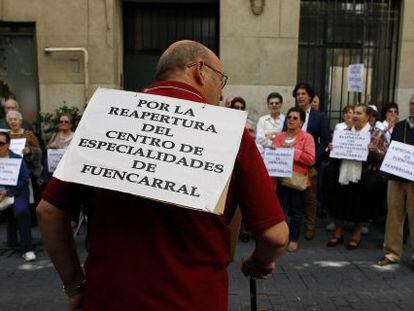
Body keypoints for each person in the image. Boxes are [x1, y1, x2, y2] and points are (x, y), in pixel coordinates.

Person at [37, 40, 289, 311]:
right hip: (194, 300)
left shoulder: (105, 120)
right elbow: (275, 235)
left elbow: (48, 212)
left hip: (108, 298)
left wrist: (75, 286)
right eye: (221, 79)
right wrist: (259, 262)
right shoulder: (229, 134)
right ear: (200, 70)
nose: (220, 91)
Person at [327, 104, 386, 250]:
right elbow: (334, 155)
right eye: (354, 113)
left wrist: (372, 151)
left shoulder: (376, 134)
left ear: (368, 117)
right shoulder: (344, 131)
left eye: (359, 113)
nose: (355, 116)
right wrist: (332, 149)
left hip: (363, 176)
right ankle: (338, 233)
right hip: (344, 173)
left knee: (361, 206)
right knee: (340, 203)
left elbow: (383, 155)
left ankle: (356, 235)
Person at [378, 95, 414, 268]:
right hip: (396, 178)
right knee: (394, 214)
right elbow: (392, 150)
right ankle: (392, 253)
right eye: (412, 103)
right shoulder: (399, 127)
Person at [273, 107, 315, 252]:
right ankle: (278, 238)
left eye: (295, 118)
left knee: (295, 211)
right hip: (279, 179)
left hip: (296, 181)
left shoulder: (307, 137)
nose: (290, 120)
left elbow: (310, 159)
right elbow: (273, 155)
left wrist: (293, 151)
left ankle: (294, 239)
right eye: (289, 117)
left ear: (301, 122)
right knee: (278, 210)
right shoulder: (280, 136)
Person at [292, 82, 329, 240]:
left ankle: (310, 226)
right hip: (294, 163)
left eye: (303, 94)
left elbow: (325, 141)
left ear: (310, 97)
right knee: (294, 195)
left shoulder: (319, 116)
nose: (300, 96)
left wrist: (314, 158)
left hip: (311, 164)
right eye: (298, 94)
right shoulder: (293, 114)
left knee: (310, 197)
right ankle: (294, 226)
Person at [0, 131, 36, 261]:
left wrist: (7, 192)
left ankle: (27, 249)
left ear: (8, 144)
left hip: (15, 193)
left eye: (1, 143)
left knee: (22, 211)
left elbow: (24, 181)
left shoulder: (17, 159)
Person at [7, 111, 43, 206]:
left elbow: (39, 151)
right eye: (10, 120)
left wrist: (30, 150)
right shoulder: (5, 136)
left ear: (20, 121)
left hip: (28, 172)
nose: (13, 122)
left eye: (15, 119)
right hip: (9, 173)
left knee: (30, 201)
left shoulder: (29, 134)